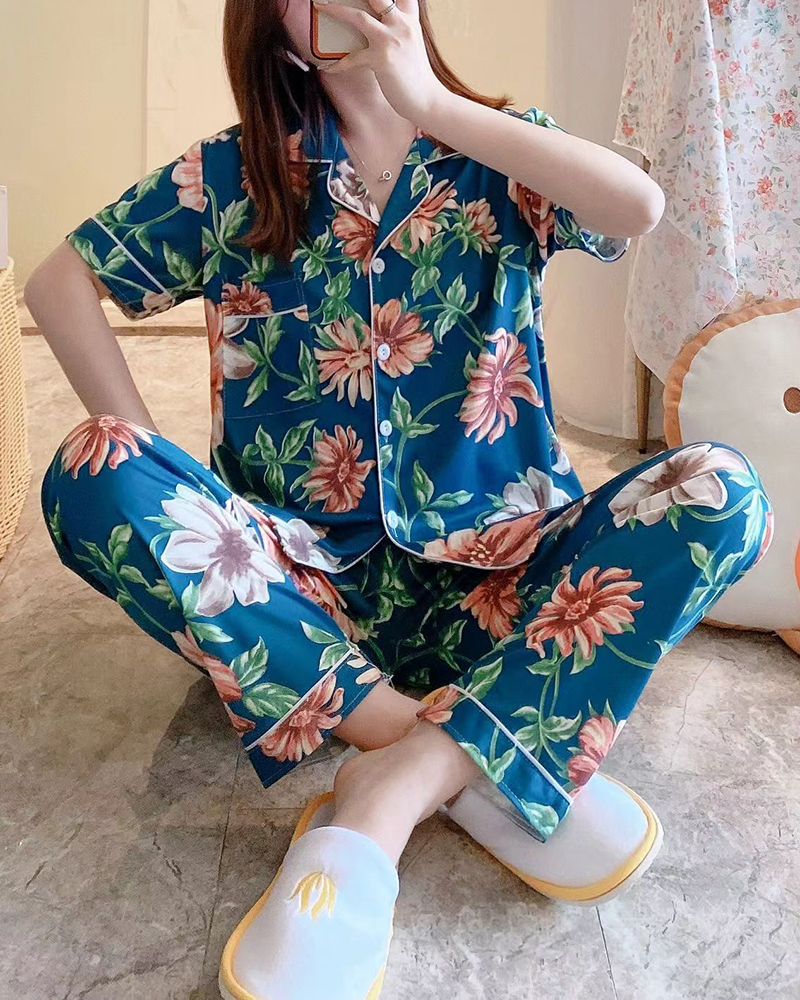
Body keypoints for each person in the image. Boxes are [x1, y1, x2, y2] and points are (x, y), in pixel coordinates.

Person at [25, 1, 773, 997]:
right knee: (95, 466)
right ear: (268, 17)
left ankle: (391, 784)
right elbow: (57, 284)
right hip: (300, 595)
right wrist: (177, 482)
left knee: (721, 490)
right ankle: (451, 744)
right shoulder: (229, 176)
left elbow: (635, 208)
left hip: (508, 580)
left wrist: (430, 103)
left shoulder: (498, 148)